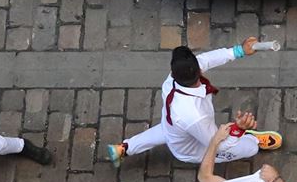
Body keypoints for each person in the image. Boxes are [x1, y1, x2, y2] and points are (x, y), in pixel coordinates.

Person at [106, 39, 282, 166]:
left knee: (166, 132)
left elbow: (207, 59)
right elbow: (216, 143)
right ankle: (254, 141)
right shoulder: (194, 115)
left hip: (173, 126)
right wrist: (239, 130)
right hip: (190, 148)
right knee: (246, 149)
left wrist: (239, 50)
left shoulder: (172, 80)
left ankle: (124, 148)